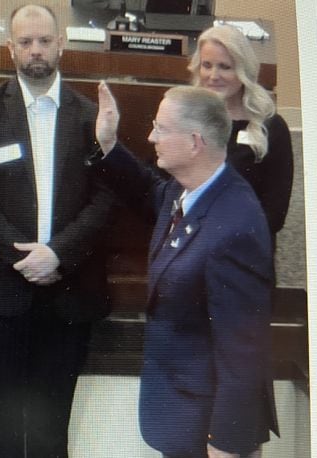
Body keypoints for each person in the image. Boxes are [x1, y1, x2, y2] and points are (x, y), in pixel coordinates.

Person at [0, 5, 115, 457]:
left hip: (69, 294)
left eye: (44, 40)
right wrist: (24, 257)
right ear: (10, 48)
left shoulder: (88, 117)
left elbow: (105, 199)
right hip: (2, 293)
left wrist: (57, 254)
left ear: (61, 43)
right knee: (1, 431)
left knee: (49, 433)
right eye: (25, 42)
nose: (36, 50)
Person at [95, 82, 278, 457]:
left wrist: (226, 443)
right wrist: (110, 144)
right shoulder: (188, 192)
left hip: (208, 431)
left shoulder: (236, 222)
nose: (151, 137)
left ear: (195, 142)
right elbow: (147, 189)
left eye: (161, 128)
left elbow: (242, 351)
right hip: (180, 417)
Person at [189, 24, 293, 242]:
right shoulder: (187, 117)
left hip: (242, 248)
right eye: (207, 65)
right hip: (190, 244)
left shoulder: (272, 128)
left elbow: (274, 215)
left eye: (225, 67)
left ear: (243, 70)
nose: (213, 75)